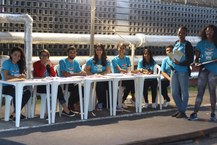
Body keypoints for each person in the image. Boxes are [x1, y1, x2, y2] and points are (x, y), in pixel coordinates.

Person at [33, 49, 75, 117]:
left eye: (46, 55)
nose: (44, 57)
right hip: (40, 86)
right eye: (42, 55)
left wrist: (51, 67)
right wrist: (44, 66)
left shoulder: (50, 64)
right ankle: (64, 109)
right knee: (57, 88)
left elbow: (53, 75)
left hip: (49, 85)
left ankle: (49, 112)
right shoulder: (36, 64)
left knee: (57, 88)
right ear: (39, 56)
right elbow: (39, 75)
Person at [188, 24, 217, 121]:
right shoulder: (201, 44)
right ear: (205, 32)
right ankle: (195, 113)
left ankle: (213, 114)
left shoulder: (216, 43)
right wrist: (196, 62)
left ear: (214, 32)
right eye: (207, 31)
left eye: (211, 31)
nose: (209, 33)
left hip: (214, 70)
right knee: (200, 91)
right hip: (204, 69)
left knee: (212, 91)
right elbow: (197, 57)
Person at [1, 46, 31, 121]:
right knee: (17, 92)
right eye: (15, 54)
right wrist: (18, 78)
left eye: (19, 56)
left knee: (28, 92)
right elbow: (6, 76)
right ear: (11, 55)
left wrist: (23, 76)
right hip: (6, 87)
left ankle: (15, 113)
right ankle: (17, 114)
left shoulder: (19, 65)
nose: (17, 57)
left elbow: (22, 76)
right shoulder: (7, 63)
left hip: (16, 86)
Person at [170, 26, 194, 118]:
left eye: (183, 33)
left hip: (183, 71)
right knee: (174, 92)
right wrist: (171, 57)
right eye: (179, 32)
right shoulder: (176, 43)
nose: (181, 34)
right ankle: (180, 109)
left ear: (186, 34)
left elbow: (190, 59)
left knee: (184, 92)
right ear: (177, 33)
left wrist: (180, 63)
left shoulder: (188, 45)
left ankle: (182, 111)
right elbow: (175, 56)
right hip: (174, 70)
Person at [59, 46, 86, 111]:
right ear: (67, 53)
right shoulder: (62, 61)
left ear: (76, 54)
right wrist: (78, 74)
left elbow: (81, 72)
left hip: (74, 82)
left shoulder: (76, 62)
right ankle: (70, 106)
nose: (72, 54)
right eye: (70, 53)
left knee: (83, 89)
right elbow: (65, 74)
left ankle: (70, 105)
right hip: (64, 83)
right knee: (77, 88)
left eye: (74, 53)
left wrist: (83, 72)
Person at [85, 44, 111, 110]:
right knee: (100, 85)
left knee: (112, 84)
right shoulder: (90, 60)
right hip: (93, 79)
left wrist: (100, 75)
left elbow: (108, 71)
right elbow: (87, 70)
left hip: (104, 78)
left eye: (100, 50)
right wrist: (93, 76)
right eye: (97, 50)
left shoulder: (106, 61)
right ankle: (100, 103)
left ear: (103, 51)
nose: (98, 51)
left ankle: (114, 104)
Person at [111, 43, 135, 109]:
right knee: (130, 82)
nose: (121, 50)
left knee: (132, 81)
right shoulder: (114, 59)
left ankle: (123, 100)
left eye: (123, 48)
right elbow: (120, 70)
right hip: (117, 80)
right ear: (117, 49)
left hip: (125, 78)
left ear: (125, 49)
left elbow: (129, 68)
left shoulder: (127, 58)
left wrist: (131, 72)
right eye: (120, 48)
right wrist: (133, 71)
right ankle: (131, 98)